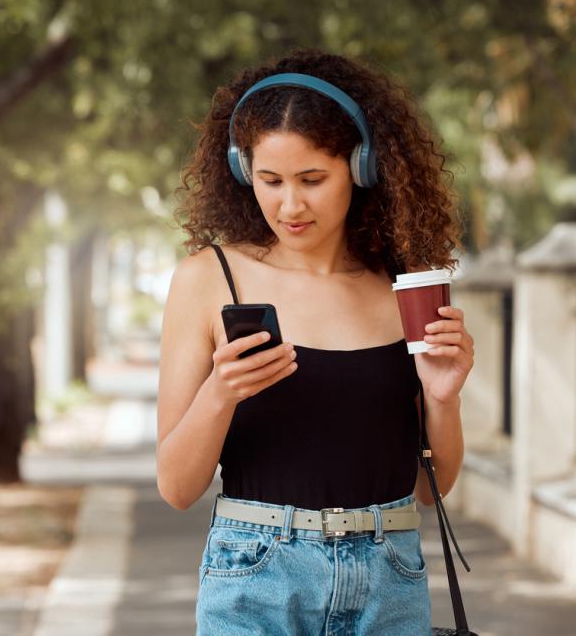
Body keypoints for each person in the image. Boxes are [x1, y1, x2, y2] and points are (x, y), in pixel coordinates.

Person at [156, 47, 475, 636]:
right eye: (270, 180)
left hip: (390, 577)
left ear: (362, 168)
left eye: (312, 180)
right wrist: (221, 393)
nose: (290, 204)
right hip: (256, 577)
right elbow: (176, 488)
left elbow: (432, 490)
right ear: (241, 169)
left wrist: (444, 397)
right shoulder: (209, 279)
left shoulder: (401, 286)